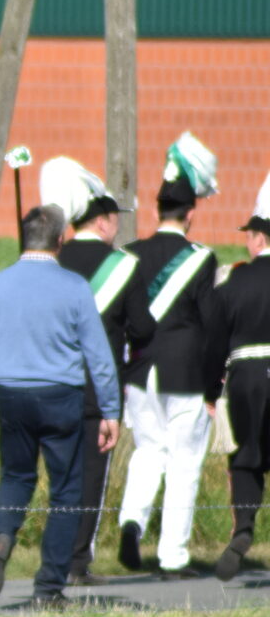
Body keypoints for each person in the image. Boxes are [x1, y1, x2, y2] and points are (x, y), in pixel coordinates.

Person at [0, 205, 122, 607]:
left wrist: (7, 365)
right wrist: (110, 411)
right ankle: (49, 587)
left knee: (16, 476)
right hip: (61, 394)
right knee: (66, 491)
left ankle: (1, 541)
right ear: (60, 241)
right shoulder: (74, 287)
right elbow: (100, 357)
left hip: (10, 392)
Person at [42, 157, 150, 584]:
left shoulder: (51, 260)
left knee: (58, 475)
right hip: (97, 388)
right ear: (103, 221)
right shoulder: (123, 265)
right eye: (115, 217)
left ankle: (52, 555)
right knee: (91, 476)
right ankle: (75, 561)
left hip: (51, 380)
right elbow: (142, 328)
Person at [116, 143, 219, 577]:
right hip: (186, 373)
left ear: (157, 210)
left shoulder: (129, 254)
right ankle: (172, 555)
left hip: (140, 371)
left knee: (147, 451)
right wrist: (214, 387)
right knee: (184, 463)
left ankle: (131, 522)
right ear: (190, 213)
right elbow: (212, 326)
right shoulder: (201, 259)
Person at [204, 176, 270, 581]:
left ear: (260, 238)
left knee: (246, 458)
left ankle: (243, 528)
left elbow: (215, 342)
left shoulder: (234, 281)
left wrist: (211, 390)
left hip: (246, 377)